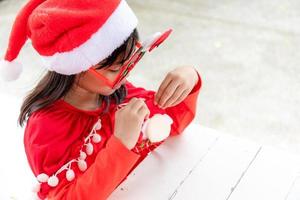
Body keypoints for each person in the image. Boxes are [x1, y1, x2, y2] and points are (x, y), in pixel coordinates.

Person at [0, 0, 202, 199]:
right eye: (115, 69)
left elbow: (173, 121)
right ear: (76, 66)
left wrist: (189, 77)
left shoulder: (119, 95)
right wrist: (121, 143)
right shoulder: (46, 127)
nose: (126, 76)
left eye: (131, 62)